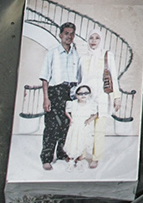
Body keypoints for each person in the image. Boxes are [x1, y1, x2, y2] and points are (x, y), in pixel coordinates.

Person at [39, 22, 83, 170]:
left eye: (71, 34)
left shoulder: (76, 54)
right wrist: (46, 98)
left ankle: (61, 153)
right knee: (52, 126)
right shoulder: (52, 53)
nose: (69, 36)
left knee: (66, 125)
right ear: (60, 35)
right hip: (55, 91)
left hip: (70, 92)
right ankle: (46, 158)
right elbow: (45, 77)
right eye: (66, 33)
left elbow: (78, 76)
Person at [63, 84, 104, 168]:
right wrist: (70, 119)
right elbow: (67, 111)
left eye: (86, 93)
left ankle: (79, 160)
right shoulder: (73, 104)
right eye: (80, 94)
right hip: (75, 126)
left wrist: (89, 120)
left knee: (82, 143)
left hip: (84, 126)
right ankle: (71, 159)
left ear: (89, 94)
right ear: (76, 95)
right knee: (73, 142)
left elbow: (96, 114)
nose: (83, 95)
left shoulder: (91, 104)